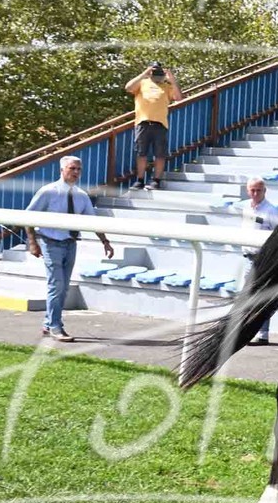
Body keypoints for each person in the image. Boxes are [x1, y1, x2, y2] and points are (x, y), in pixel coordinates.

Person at [25, 156, 114, 343]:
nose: (76, 172)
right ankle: (55, 326)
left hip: (70, 243)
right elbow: (28, 216)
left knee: (63, 287)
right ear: (62, 170)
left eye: (78, 169)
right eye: (72, 168)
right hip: (51, 243)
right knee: (56, 285)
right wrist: (32, 242)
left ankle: (49, 322)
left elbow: (92, 221)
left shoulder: (81, 195)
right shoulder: (48, 191)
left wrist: (105, 241)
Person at [236, 178, 278, 345]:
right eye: (252, 190)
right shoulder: (245, 208)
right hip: (249, 257)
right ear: (248, 191)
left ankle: (261, 334)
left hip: (263, 259)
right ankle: (252, 332)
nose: (255, 193)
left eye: (259, 190)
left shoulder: (271, 211)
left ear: (264, 191)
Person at [125, 62, 183, 191]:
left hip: (160, 124)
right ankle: (140, 180)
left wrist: (172, 80)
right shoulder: (142, 83)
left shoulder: (166, 86)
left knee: (160, 153)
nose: (157, 74)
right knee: (141, 152)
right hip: (143, 122)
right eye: (154, 71)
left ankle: (156, 180)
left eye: (159, 71)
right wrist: (144, 73)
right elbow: (128, 87)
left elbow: (178, 98)